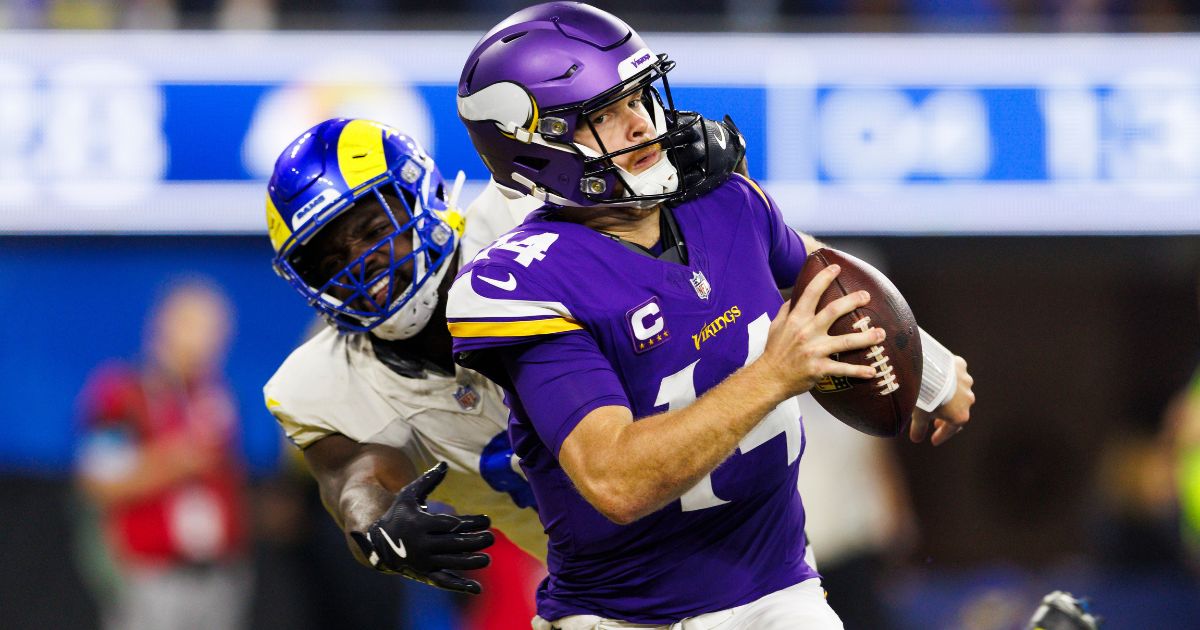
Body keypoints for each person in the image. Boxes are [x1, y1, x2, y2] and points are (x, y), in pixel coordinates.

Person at [446, 3, 975, 628]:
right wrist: (773, 377)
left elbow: (826, 276)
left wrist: (931, 375)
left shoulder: (729, 203)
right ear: (534, 146)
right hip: (621, 617)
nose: (639, 125)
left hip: (779, 596)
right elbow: (615, 482)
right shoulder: (520, 282)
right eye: (602, 115)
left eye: (638, 99)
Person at [261, 114, 746, 595]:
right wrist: (377, 526)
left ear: (421, 197)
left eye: (371, 230)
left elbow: (700, 241)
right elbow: (357, 480)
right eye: (330, 261)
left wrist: (696, 172)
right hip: (605, 598)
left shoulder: (529, 215)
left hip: (739, 536)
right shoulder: (324, 383)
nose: (359, 264)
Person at [75, 279, 251, 630]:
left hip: (221, 575)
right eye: (204, 329)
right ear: (168, 327)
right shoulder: (124, 393)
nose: (214, 343)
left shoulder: (215, 394)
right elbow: (99, 482)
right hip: (152, 576)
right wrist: (172, 463)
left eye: (220, 332)